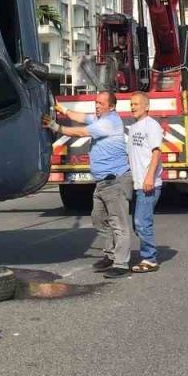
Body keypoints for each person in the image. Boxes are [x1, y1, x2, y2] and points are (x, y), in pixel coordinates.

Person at [52, 92, 131, 278]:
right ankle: (111, 255)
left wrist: (55, 126)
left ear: (111, 106)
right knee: (98, 219)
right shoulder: (99, 118)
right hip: (102, 182)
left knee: (119, 224)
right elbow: (80, 117)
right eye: (96, 102)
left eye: (101, 103)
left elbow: (81, 131)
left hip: (115, 180)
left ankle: (121, 264)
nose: (97, 106)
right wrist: (62, 109)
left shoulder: (109, 122)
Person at [126, 91, 164, 273]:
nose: (132, 107)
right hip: (136, 183)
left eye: (136, 104)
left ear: (146, 106)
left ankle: (149, 259)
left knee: (142, 221)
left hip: (149, 183)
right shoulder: (133, 128)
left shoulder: (152, 125)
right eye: (131, 104)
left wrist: (149, 177)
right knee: (137, 223)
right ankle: (147, 253)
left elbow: (156, 152)